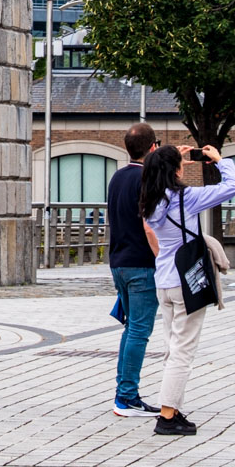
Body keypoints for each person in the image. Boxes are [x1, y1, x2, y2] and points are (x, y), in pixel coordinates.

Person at [139, 143, 235, 437]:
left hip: (164, 280)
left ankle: (173, 409)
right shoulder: (187, 198)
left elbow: (156, 170)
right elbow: (232, 186)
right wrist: (219, 160)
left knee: (172, 348)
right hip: (187, 281)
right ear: (175, 170)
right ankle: (166, 416)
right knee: (183, 352)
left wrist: (172, 159)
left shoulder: (149, 201)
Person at [105, 122, 160, 418]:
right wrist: (162, 258)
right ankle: (126, 396)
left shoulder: (117, 177)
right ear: (152, 147)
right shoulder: (147, 179)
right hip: (142, 263)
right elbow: (149, 226)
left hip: (119, 262)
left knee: (131, 329)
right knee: (140, 330)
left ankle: (124, 393)